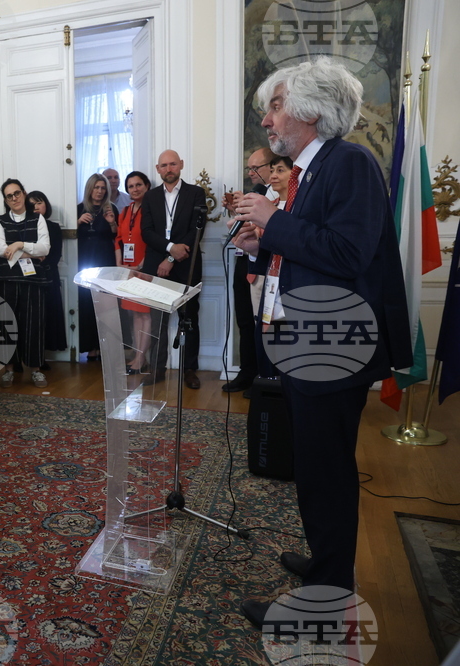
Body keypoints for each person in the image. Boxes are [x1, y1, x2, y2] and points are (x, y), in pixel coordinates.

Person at [231, 56, 411, 629]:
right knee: (312, 468)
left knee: (327, 473)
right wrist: (264, 242)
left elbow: (350, 253)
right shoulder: (311, 170)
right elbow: (316, 247)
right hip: (310, 340)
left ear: (310, 111)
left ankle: (325, 604)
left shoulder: (349, 162)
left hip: (333, 346)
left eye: (275, 106)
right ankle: (326, 564)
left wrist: (272, 219)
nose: (267, 120)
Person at [140, 149, 206, 389]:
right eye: (164, 165)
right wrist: (170, 249)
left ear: (181, 165)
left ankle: (189, 369)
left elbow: (197, 230)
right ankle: (157, 369)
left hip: (186, 265)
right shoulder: (150, 197)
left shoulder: (196, 193)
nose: (169, 169)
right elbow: (146, 232)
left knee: (189, 319)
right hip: (156, 266)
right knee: (158, 320)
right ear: (158, 169)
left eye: (173, 164)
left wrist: (172, 258)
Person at [221, 146, 277, 394]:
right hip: (244, 260)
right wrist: (235, 211)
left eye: (256, 168)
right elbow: (246, 228)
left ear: (271, 167)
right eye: (249, 168)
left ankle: (264, 376)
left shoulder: (279, 195)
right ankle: (247, 372)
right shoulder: (255, 193)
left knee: (263, 324)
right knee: (244, 320)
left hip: (267, 264)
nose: (251, 172)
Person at [0, 178, 50, 389]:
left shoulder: (38, 218)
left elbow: (45, 248)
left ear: (24, 193)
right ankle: (8, 370)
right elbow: (1, 250)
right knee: (5, 324)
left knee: (34, 325)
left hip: (32, 280)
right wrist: (29, 253)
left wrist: (18, 244)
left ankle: (35, 370)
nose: (14, 198)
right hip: (4, 280)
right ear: (6, 200)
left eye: (17, 193)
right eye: (9, 196)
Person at [77, 173, 118, 361]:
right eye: (96, 187)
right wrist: (78, 222)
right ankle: (90, 348)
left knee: (105, 305)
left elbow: (117, 236)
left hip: (105, 260)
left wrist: (112, 223)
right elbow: (72, 236)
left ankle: (106, 347)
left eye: (103, 188)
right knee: (87, 304)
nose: (100, 191)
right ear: (90, 189)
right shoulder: (79, 209)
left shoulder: (111, 208)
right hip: (85, 260)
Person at [115, 171, 153, 375]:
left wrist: (141, 265)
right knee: (134, 314)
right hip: (127, 270)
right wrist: (119, 263)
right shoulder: (125, 211)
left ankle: (141, 358)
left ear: (147, 186)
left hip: (144, 269)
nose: (135, 189)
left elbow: (153, 242)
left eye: (139, 185)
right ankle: (139, 355)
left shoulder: (152, 210)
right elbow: (118, 239)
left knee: (144, 313)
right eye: (131, 186)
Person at [27, 191, 66, 363]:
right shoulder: (25, 226)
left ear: (46, 205)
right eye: (32, 204)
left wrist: (41, 260)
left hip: (49, 274)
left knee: (49, 315)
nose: (35, 207)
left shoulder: (54, 227)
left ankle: (43, 355)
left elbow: (55, 254)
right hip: (29, 275)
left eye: (39, 203)